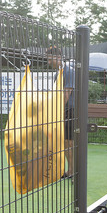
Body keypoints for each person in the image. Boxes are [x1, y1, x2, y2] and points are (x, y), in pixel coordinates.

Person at [46, 46, 75, 179]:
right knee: (64, 142)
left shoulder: (68, 71)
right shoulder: (59, 72)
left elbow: (66, 94)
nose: (48, 62)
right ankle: (70, 170)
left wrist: (56, 112)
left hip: (70, 111)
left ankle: (73, 171)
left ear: (58, 57)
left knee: (69, 142)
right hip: (63, 111)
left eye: (49, 59)